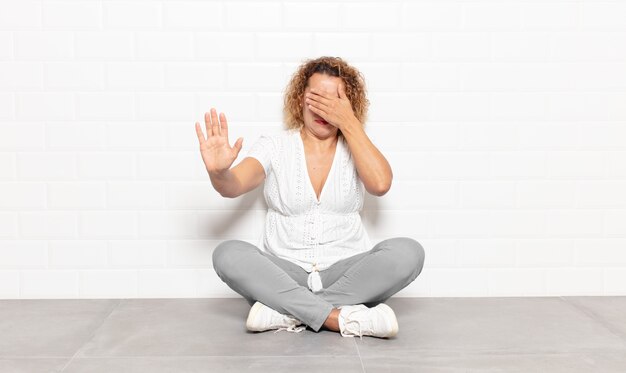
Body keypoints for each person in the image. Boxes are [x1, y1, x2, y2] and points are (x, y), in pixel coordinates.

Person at [194, 56, 425, 339]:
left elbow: (380, 184)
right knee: (227, 254)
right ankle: (340, 317)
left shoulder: (356, 146)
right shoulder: (275, 146)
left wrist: (349, 123)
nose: (323, 108)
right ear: (300, 99)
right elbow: (232, 185)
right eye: (316, 97)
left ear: (349, 105)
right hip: (285, 272)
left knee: (408, 252)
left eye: (334, 100)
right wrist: (219, 173)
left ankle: (288, 312)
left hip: (346, 272)